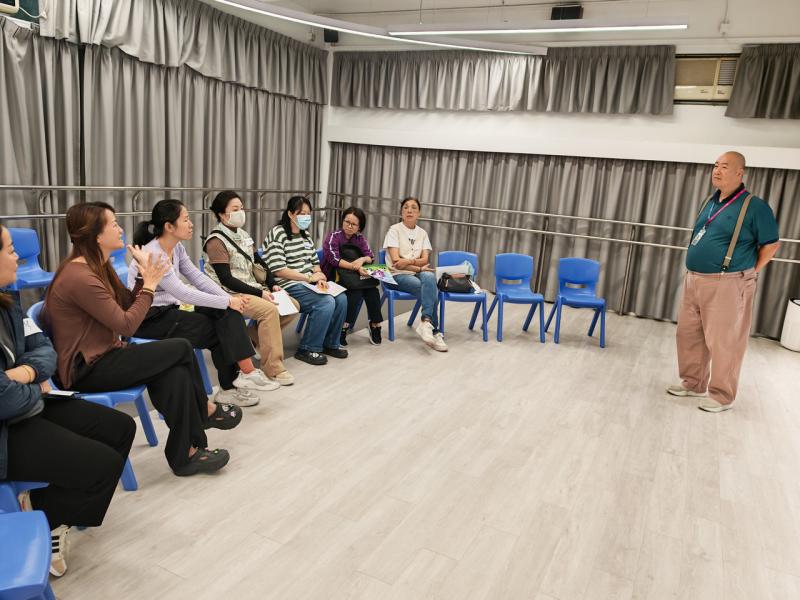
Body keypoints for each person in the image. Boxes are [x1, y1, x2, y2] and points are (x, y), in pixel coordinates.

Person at [43, 203, 241, 480]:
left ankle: (187, 454)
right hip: (86, 368)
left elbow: (126, 303)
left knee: (174, 373)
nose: (120, 229)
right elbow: (127, 324)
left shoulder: (97, 266)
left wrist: (142, 276)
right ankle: (203, 413)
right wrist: (149, 285)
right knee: (181, 348)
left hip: (107, 354)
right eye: (113, 224)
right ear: (97, 236)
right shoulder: (80, 276)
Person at [0, 221, 135, 577]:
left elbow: (44, 348)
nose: (17, 257)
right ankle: (47, 518)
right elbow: (3, 399)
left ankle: (51, 510)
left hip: (27, 404)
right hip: (7, 428)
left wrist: (25, 372)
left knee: (120, 428)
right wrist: (33, 384)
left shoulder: (7, 300)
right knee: (101, 465)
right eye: (9, 250)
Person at [129, 199, 279, 407]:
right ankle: (232, 385)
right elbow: (182, 292)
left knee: (226, 313)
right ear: (169, 226)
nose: (191, 224)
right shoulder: (155, 255)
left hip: (171, 308)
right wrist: (227, 300)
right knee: (218, 328)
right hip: (149, 318)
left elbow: (198, 278)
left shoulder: (176, 248)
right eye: (186, 220)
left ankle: (245, 374)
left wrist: (229, 300)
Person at [667, 151, 780, 412]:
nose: (717, 170)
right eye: (715, 165)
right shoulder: (710, 201)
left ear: (740, 173)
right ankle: (694, 383)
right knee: (689, 334)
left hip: (727, 282)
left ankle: (721, 396)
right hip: (694, 279)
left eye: (724, 166)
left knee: (724, 341)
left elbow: (772, 245)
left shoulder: (755, 207)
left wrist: (749, 272)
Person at [203, 191, 298, 385]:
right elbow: (226, 279)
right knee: (269, 310)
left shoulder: (243, 234)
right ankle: (273, 368)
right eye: (235, 209)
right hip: (230, 293)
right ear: (222, 214)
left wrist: (273, 284)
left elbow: (259, 262)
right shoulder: (216, 241)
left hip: (252, 286)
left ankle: (252, 335)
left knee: (293, 305)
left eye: (242, 208)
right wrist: (260, 293)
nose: (241, 212)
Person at [264, 196, 348, 366]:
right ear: (290, 214)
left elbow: (314, 263)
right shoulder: (278, 233)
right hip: (286, 284)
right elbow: (278, 269)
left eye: (308, 213)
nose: (306, 217)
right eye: (302, 213)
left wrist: (320, 277)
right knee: (325, 302)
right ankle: (308, 348)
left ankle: (330, 343)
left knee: (341, 299)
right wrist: (309, 278)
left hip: (308, 283)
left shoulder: (306, 236)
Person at [383, 197, 447, 352]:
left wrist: (408, 262)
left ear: (419, 213)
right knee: (430, 289)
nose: (409, 210)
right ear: (401, 212)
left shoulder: (422, 233)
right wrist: (417, 267)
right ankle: (435, 331)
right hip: (395, 275)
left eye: (413, 207)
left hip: (414, 272)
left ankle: (426, 322)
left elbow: (425, 259)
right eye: (406, 207)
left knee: (429, 278)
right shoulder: (394, 230)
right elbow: (396, 262)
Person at [321, 206, 383, 346]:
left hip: (354, 276)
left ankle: (375, 323)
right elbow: (334, 259)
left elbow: (370, 257)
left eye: (353, 224)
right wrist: (356, 267)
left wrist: (362, 259)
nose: (349, 226)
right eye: (347, 222)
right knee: (355, 292)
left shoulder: (360, 239)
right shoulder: (334, 236)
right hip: (335, 276)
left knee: (373, 291)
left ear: (359, 227)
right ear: (342, 221)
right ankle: (344, 326)